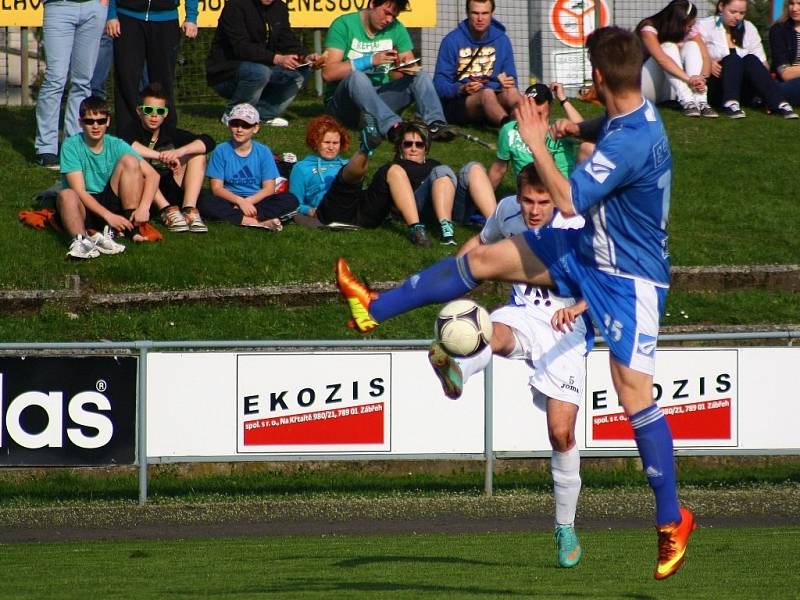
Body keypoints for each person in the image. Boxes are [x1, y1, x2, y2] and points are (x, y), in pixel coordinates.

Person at [335, 27, 696, 581]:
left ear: (598, 78)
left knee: (633, 397)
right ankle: (372, 308)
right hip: (584, 251)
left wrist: (532, 140)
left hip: (628, 280)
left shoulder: (628, 143)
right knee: (482, 262)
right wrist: (576, 125)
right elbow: (612, 128)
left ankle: (672, 519)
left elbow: (570, 196)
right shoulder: (636, 114)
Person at [429, 164, 591, 568]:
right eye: (528, 201)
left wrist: (577, 307)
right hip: (525, 311)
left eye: (543, 202)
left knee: (561, 432)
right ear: (518, 198)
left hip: (570, 329)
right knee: (493, 333)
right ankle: (457, 371)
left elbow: (613, 281)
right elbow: (480, 244)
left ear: (555, 198)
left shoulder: (579, 223)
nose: (535, 210)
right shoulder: (506, 212)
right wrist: (451, 275)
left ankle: (564, 526)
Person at [290, 116, 448, 245]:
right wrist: (308, 210)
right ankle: (365, 148)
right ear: (315, 143)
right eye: (326, 142)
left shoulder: (346, 163)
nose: (331, 147)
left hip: (361, 209)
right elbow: (293, 203)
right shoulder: (302, 168)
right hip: (331, 208)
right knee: (346, 181)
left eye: (335, 143)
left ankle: (416, 228)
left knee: (389, 170)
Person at [322, 0, 453, 142]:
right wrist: (370, 60)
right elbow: (328, 73)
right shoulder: (343, 25)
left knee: (420, 76)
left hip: (378, 99)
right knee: (357, 77)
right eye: (387, 13)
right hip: (345, 106)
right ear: (372, 4)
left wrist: (402, 68)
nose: (389, 20)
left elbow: (407, 71)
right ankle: (392, 127)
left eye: (394, 16)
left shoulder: (396, 28)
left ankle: (435, 124)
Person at [56, 96, 160, 259]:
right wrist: (108, 216)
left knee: (130, 161)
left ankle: (130, 227)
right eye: (89, 121)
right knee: (66, 194)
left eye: (101, 121)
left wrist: (144, 207)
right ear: (80, 122)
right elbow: (79, 191)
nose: (96, 126)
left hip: (110, 198)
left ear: (108, 121)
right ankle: (81, 242)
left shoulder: (116, 144)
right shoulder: (71, 145)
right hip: (84, 203)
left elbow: (153, 174)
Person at [120, 83, 215, 233]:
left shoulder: (168, 132)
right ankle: (167, 210)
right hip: (145, 192)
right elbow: (126, 146)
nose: (154, 115)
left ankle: (189, 209)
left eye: (159, 111)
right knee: (138, 161)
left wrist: (178, 152)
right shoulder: (129, 129)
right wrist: (161, 156)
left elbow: (208, 141)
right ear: (139, 111)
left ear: (165, 113)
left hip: (170, 184)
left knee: (198, 155)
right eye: (149, 110)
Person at [206, 0, 318, 127]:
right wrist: (276, 59)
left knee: (301, 71)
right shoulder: (235, 5)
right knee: (259, 72)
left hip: (263, 70)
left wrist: (305, 57)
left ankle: (263, 115)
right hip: (226, 74)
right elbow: (240, 47)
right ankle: (234, 115)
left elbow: (287, 39)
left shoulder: (279, 8)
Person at [198, 103, 298, 229]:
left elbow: (269, 188)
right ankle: (256, 221)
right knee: (204, 201)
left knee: (290, 199)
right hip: (229, 200)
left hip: (257, 200)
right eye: (235, 124)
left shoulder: (263, 151)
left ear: (255, 128)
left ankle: (240, 217)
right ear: (229, 125)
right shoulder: (220, 150)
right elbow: (216, 188)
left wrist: (248, 202)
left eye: (245, 125)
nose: (239, 129)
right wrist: (239, 201)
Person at [105, 0, 198, 135]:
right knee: (126, 79)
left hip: (166, 19)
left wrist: (191, 16)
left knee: (163, 82)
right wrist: (111, 14)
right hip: (127, 17)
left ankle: (165, 134)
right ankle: (127, 134)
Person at [34, 0, 107, 169]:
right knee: (55, 79)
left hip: (93, 8)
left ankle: (73, 144)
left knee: (83, 81)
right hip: (59, 6)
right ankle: (46, 148)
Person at [696, 0, 798, 118]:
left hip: (744, 85)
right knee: (733, 58)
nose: (737, 17)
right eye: (733, 12)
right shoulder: (705, 26)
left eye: (742, 13)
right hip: (717, 84)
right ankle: (730, 103)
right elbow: (693, 54)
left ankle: (778, 104)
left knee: (751, 59)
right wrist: (709, 63)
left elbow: (763, 64)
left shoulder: (749, 28)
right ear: (721, 7)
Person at [433, 0, 523, 127]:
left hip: (493, 96)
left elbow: (512, 78)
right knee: (486, 93)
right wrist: (460, 89)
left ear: (492, 14)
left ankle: (528, 125)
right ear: (467, 14)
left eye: (485, 13)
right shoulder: (451, 41)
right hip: (461, 101)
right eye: (475, 13)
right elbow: (438, 84)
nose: (480, 18)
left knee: (512, 92)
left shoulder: (503, 40)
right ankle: (508, 130)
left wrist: (508, 81)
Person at [488, 83, 589, 191]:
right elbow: (498, 169)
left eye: (538, 102)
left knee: (588, 147)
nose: (533, 107)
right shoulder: (510, 130)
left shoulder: (559, 127)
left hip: (562, 191)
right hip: (530, 193)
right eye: (529, 102)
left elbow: (585, 133)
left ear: (549, 105)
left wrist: (563, 99)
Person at [636, 0, 718, 117]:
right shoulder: (648, 27)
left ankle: (701, 101)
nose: (692, 28)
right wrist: (690, 79)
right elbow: (662, 60)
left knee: (692, 46)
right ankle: (687, 101)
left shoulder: (688, 30)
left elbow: (706, 57)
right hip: (642, 87)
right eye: (689, 25)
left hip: (669, 91)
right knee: (668, 46)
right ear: (678, 23)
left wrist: (702, 78)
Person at [768, 0, 800, 106]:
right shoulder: (778, 30)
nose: (794, 8)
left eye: (799, 4)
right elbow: (785, 73)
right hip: (788, 83)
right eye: (791, 3)